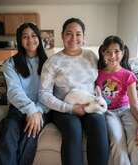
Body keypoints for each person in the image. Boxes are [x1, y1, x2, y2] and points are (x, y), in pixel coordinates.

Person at [39, 18, 109, 165]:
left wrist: (99, 93)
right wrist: (71, 108)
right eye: (69, 34)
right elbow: (43, 94)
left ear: (84, 37)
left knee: (99, 125)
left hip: (90, 105)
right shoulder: (53, 62)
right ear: (62, 36)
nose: (74, 38)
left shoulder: (91, 56)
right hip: (63, 108)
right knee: (73, 129)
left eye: (78, 34)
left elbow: (101, 78)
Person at [0, 22, 51, 165]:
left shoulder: (50, 62)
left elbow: (50, 92)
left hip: (42, 108)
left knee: (29, 135)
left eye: (33, 35)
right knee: (7, 130)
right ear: (20, 40)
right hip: (18, 108)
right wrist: (30, 110)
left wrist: (37, 112)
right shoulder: (10, 63)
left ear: (39, 38)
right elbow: (14, 91)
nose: (30, 40)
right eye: (25, 37)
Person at [96, 35, 138, 165]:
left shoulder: (128, 75)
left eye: (116, 51)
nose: (112, 55)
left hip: (125, 110)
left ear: (123, 52)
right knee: (116, 138)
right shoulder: (97, 74)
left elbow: (134, 104)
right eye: (108, 52)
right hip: (107, 112)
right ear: (103, 52)